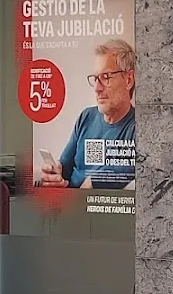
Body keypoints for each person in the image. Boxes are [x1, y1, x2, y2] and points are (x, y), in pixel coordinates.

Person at [37, 38, 137, 190]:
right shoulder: (86, 117)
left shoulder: (138, 128)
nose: (97, 88)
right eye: (96, 78)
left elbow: (122, 171)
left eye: (106, 77)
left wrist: (89, 185)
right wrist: (54, 174)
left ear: (128, 80)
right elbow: (64, 166)